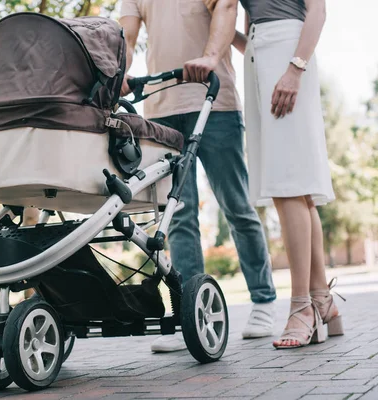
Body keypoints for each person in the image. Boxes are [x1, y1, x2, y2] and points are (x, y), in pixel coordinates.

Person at [119, 0, 277, 352]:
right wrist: (121, 72)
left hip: (214, 102)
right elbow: (127, 37)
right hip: (162, 110)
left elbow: (225, 9)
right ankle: (192, 317)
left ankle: (264, 301)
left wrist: (208, 57)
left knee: (236, 205)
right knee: (178, 215)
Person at [192, 0, 341, 349]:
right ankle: (322, 301)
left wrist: (295, 68)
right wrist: (224, 31)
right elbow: (250, 23)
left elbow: (317, 11)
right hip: (260, 55)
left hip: (289, 54)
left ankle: (302, 306)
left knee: (288, 184)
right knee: (295, 187)